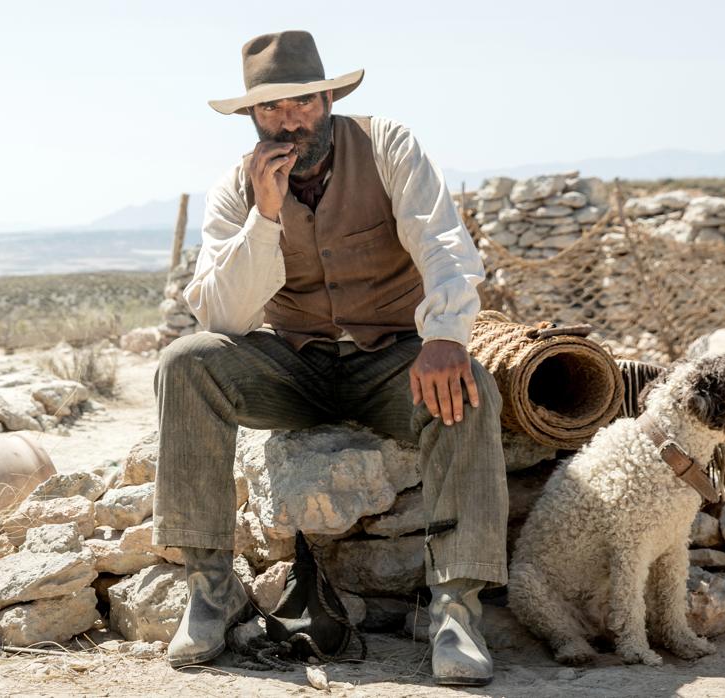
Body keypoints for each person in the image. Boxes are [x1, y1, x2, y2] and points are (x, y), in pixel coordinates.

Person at [153, 30, 508, 686]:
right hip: (293, 367)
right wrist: (264, 216)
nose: (290, 120)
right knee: (187, 362)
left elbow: (442, 244)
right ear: (253, 118)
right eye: (271, 109)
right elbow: (223, 316)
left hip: (392, 361)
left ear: (327, 97)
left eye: (303, 103)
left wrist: (445, 336)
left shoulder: (388, 145)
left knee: (470, 383)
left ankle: (455, 608)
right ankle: (212, 591)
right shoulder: (237, 185)